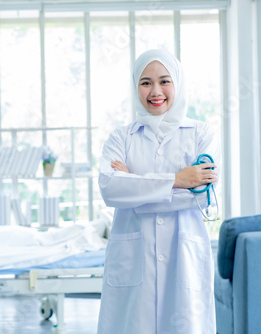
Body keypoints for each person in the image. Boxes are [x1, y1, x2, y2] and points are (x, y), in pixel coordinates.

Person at [97, 49, 219, 334]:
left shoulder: (201, 134)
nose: (155, 91)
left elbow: (202, 195)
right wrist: (178, 179)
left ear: (177, 83)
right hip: (132, 264)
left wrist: (135, 186)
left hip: (183, 256)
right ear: (135, 87)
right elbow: (110, 190)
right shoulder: (120, 137)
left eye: (164, 81)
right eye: (145, 82)